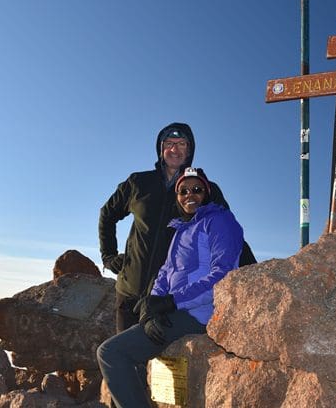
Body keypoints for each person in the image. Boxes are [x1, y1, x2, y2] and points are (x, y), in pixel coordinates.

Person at [97, 167, 244, 408]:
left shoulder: (220, 221)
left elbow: (223, 276)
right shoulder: (180, 229)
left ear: (206, 193)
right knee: (129, 356)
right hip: (175, 311)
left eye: (196, 189)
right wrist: (152, 308)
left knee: (111, 354)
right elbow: (165, 273)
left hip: (199, 313)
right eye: (183, 191)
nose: (189, 195)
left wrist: (172, 302)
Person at [98, 123, 228, 333]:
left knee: (167, 364)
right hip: (129, 292)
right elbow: (107, 214)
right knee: (124, 357)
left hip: (170, 299)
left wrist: (250, 273)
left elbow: (225, 234)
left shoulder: (204, 190)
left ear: (190, 150)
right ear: (161, 149)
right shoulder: (138, 182)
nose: (174, 149)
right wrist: (108, 256)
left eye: (181, 144)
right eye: (169, 143)